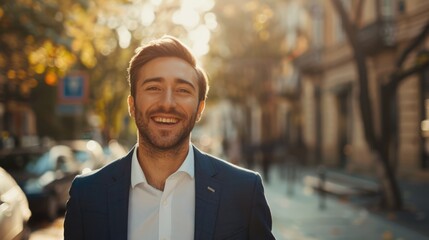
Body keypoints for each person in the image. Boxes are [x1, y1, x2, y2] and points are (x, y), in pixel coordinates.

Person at [64, 35, 275, 240]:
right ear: (132, 104)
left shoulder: (243, 191)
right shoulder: (88, 195)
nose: (167, 103)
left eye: (183, 90)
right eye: (154, 88)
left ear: (200, 108)